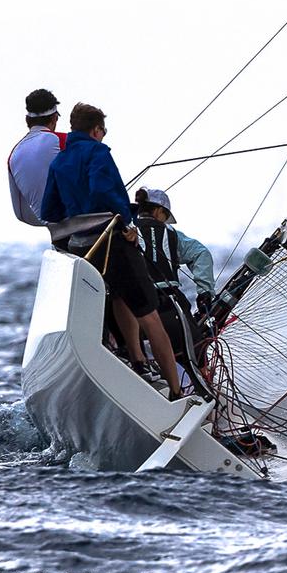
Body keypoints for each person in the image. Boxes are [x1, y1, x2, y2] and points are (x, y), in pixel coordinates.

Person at [40, 102, 184, 400]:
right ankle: (176, 390)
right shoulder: (98, 152)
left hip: (81, 249)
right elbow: (102, 191)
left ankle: (137, 361)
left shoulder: (59, 162)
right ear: (96, 130)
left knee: (118, 296)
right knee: (150, 314)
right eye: (102, 132)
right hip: (112, 242)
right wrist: (127, 221)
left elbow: (48, 210)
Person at [133, 187, 216, 388]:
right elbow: (201, 254)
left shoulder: (125, 230)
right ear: (158, 211)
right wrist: (205, 291)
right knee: (197, 357)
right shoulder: (172, 235)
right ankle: (211, 405)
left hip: (137, 306)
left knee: (141, 359)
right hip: (171, 305)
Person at [8, 89, 67, 226]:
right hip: (90, 231)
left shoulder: (13, 156)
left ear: (27, 120)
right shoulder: (65, 141)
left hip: (58, 239)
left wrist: (49, 223)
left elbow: (21, 214)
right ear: (54, 118)